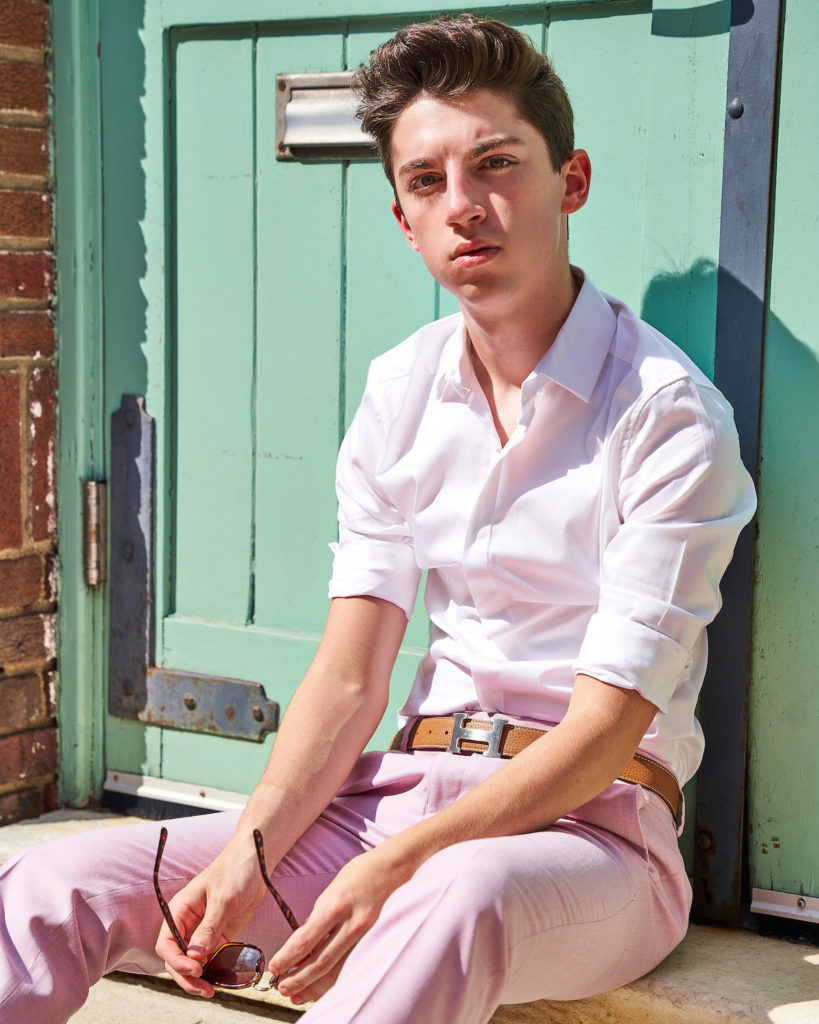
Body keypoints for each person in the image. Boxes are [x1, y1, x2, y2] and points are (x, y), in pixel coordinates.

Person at [0, 14, 756, 1024]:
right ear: (403, 217)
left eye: (496, 163)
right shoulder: (400, 390)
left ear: (570, 181)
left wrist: (396, 867)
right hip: (394, 795)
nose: (465, 206)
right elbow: (352, 675)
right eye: (427, 180)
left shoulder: (667, 416)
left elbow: (600, 729)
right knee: (59, 885)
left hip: (594, 839)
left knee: (455, 894)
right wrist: (254, 849)